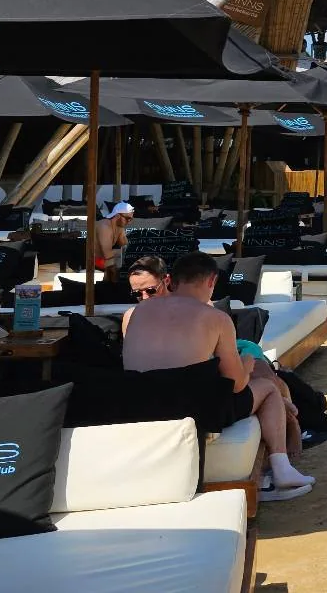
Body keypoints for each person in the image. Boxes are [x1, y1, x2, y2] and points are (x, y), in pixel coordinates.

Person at [123, 252, 313, 498]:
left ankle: (273, 468)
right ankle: (281, 469)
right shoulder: (215, 317)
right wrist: (246, 362)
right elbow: (236, 385)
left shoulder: (134, 314)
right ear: (211, 281)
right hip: (192, 411)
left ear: (172, 281)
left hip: (140, 405)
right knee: (267, 387)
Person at [94, 201, 135, 279]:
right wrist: (121, 252)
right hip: (94, 261)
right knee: (114, 263)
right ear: (117, 216)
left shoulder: (118, 226)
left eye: (131, 219)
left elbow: (125, 244)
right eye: (127, 219)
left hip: (102, 260)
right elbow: (107, 254)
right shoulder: (105, 227)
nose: (129, 222)